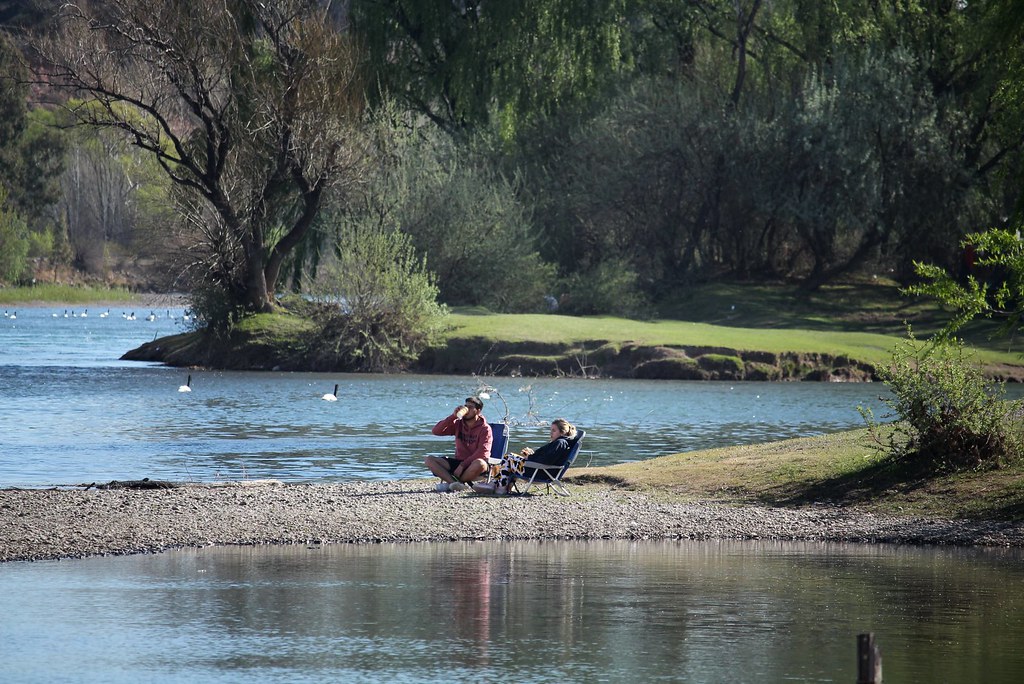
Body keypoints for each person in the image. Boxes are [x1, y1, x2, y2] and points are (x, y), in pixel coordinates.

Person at [473, 418, 578, 495]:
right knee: (509, 457)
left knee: (508, 457)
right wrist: (532, 455)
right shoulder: (561, 443)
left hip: (538, 472)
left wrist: (530, 458)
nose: (551, 433)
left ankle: (499, 485)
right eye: (551, 430)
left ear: (562, 432)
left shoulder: (560, 443)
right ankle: (497, 484)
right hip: (537, 469)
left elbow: (547, 460)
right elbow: (546, 457)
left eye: (554, 430)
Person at [425, 396, 493, 492]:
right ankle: (454, 483)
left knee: (480, 463)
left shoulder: (485, 429)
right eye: (465, 406)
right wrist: (453, 416)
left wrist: (463, 465)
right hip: (458, 462)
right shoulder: (458, 424)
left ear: (478, 411)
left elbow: (483, 453)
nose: (466, 409)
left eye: (470, 407)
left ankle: (454, 482)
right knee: (429, 460)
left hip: (473, 464)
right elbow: (436, 431)